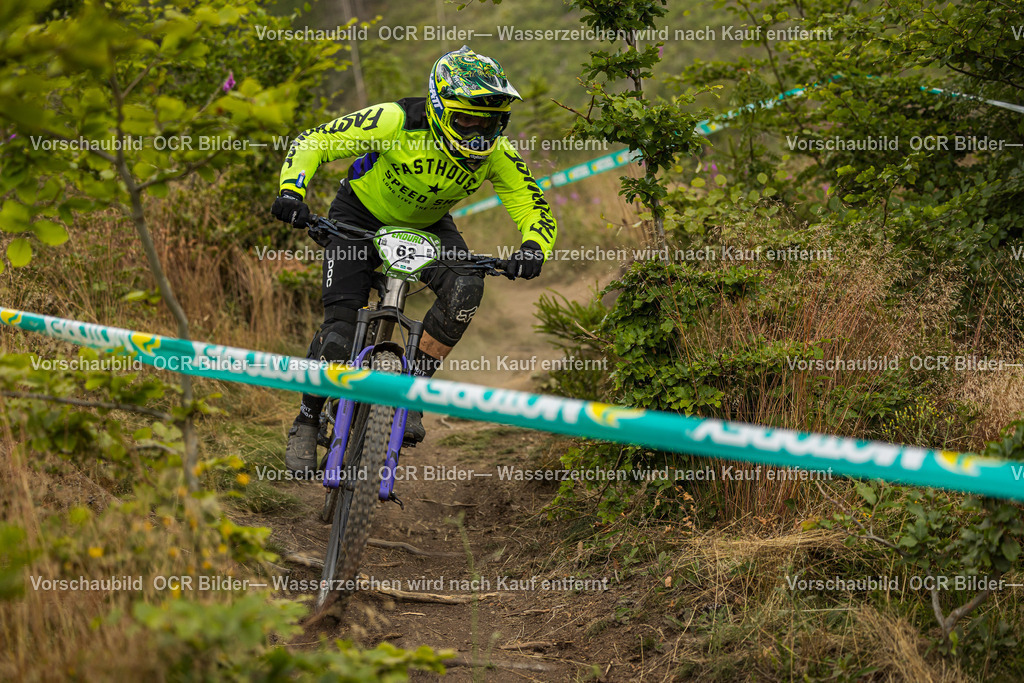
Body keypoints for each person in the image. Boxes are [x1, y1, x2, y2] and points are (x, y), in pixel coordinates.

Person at [271, 46, 558, 474]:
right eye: (467, 120)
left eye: (491, 123)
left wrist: (534, 247)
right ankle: (307, 420)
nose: (479, 134)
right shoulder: (395, 120)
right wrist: (293, 192)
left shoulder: (495, 152)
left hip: (427, 226)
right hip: (358, 216)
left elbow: (531, 202)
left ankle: (408, 393)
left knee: (466, 288)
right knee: (337, 334)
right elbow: (313, 142)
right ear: (441, 108)